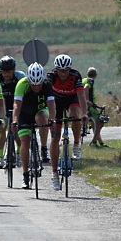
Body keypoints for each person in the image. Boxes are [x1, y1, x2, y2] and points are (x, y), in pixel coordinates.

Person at [10, 62, 57, 190]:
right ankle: (25, 175)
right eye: (33, 85)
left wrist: (52, 120)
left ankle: (43, 148)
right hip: (24, 114)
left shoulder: (47, 84)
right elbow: (16, 105)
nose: (36, 87)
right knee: (25, 142)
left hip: (39, 110)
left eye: (39, 84)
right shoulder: (22, 84)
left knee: (43, 118)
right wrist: (15, 120)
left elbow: (51, 105)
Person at [42, 54, 88, 183]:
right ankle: (54, 172)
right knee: (56, 136)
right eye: (61, 70)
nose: (63, 73)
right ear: (56, 69)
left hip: (71, 99)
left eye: (66, 70)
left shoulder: (75, 76)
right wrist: (50, 118)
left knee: (75, 114)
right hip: (56, 102)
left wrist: (84, 113)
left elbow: (81, 96)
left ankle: (76, 145)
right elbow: (47, 97)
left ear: (70, 69)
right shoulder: (51, 76)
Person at [0, 55, 26, 168]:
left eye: (9, 72)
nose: (6, 74)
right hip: (3, 107)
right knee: (2, 127)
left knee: (17, 128)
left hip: (18, 106)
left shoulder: (21, 77)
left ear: (14, 70)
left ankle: (18, 153)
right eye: (4, 72)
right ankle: (1, 158)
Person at [84, 66, 107, 147]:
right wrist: (87, 101)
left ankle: (100, 142)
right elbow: (86, 88)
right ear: (96, 75)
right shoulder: (90, 81)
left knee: (95, 124)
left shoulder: (84, 79)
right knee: (100, 121)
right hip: (90, 106)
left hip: (84, 105)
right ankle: (93, 141)